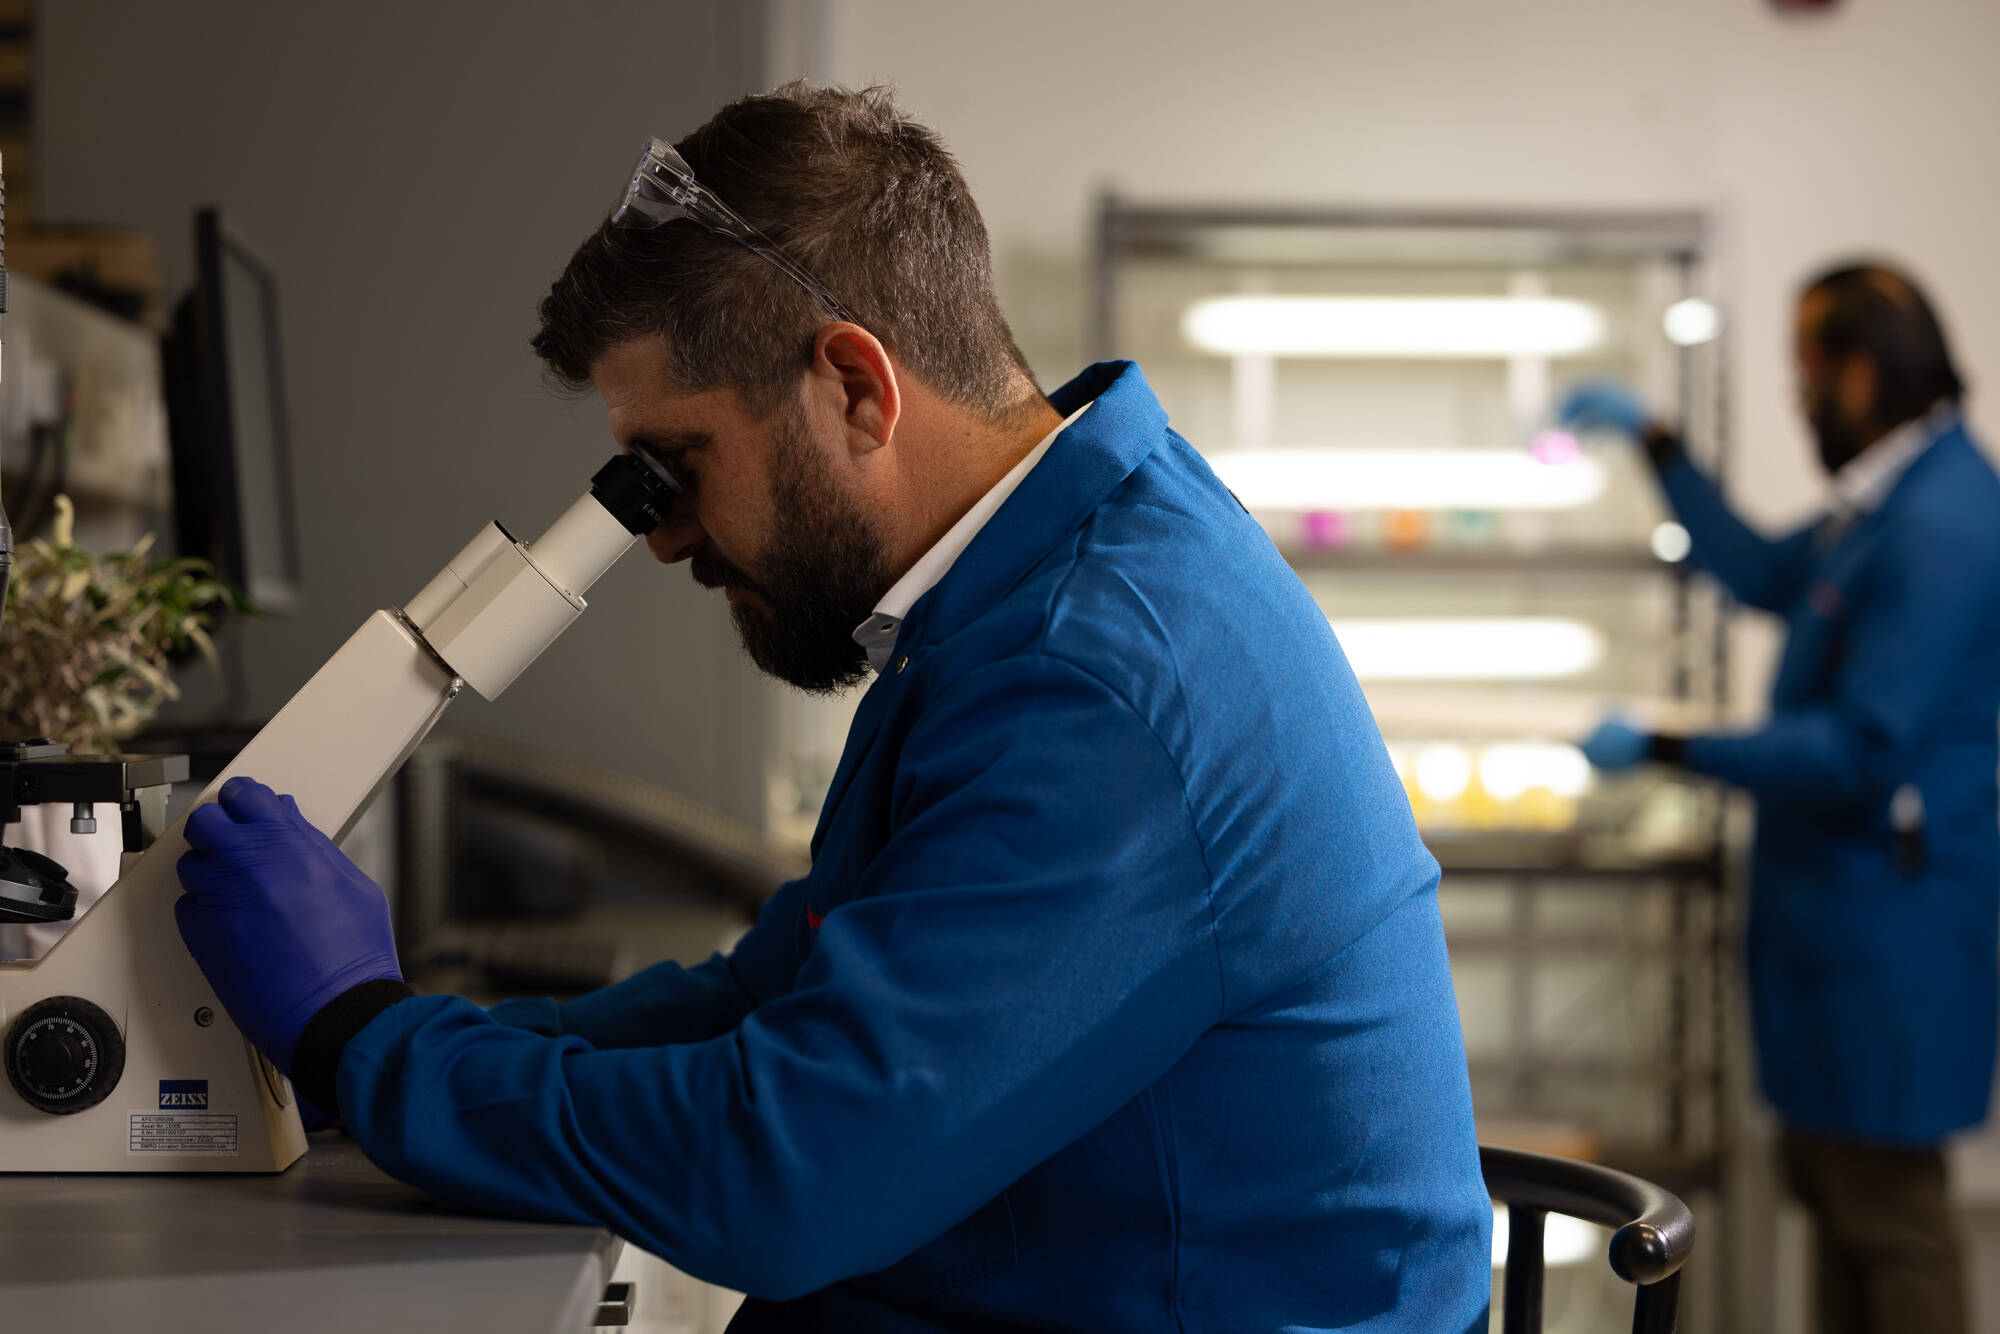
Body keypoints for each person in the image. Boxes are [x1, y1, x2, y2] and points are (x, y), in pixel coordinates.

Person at [171, 85, 1491, 1332]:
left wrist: (362, 1040)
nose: (664, 539)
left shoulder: (1089, 682)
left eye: (675, 467)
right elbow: (776, 996)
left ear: (856, 388)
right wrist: (406, 1046)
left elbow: (781, 1173)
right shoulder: (1027, 592)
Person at [1563, 263, 2000, 1334]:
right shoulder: (1887, 502)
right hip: (1842, 926)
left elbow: (1859, 746)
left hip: (1890, 934)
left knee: (1888, 1214)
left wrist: (1672, 741)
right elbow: (1762, 569)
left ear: (1857, 370)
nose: (1799, 399)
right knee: (1837, 1198)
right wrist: (1657, 444)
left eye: (1803, 374)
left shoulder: (1940, 524)